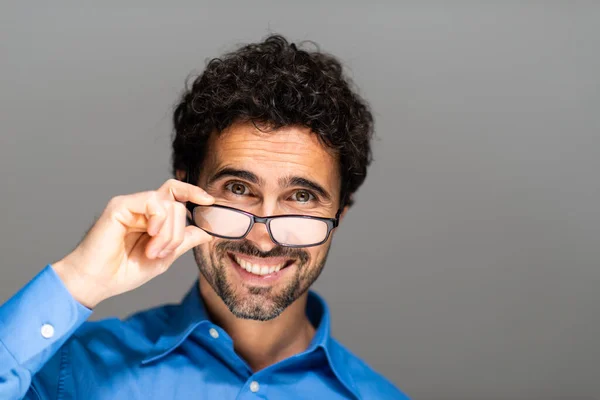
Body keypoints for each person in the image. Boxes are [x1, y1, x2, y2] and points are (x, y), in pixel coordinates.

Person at [0, 34, 409, 399]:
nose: (264, 240)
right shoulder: (68, 374)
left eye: (301, 196)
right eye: (238, 189)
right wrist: (78, 278)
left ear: (340, 213)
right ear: (184, 191)